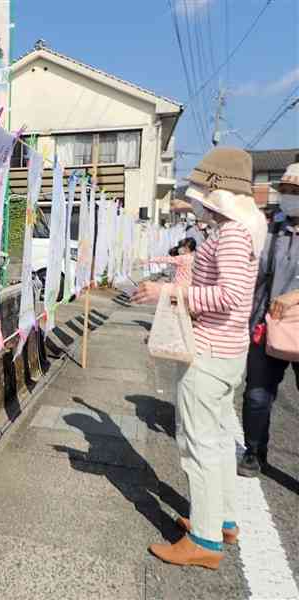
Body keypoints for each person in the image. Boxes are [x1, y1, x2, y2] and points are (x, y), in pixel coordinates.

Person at [132, 147, 266, 569]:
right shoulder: (243, 230)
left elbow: (226, 297)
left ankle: (205, 542)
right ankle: (221, 520)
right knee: (220, 441)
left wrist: (166, 293)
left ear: (218, 191)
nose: (197, 200)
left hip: (207, 353)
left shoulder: (230, 235)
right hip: (229, 353)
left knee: (199, 445)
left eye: (203, 191)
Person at [239, 162, 299, 476]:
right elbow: (255, 276)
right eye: (285, 191)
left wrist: (295, 295)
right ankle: (254, 449)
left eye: (295, 191)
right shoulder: (271, 229)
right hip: (267, 324)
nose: (289, 197)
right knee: (257, 393)